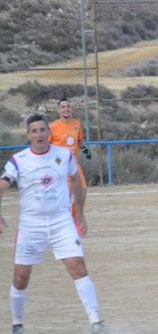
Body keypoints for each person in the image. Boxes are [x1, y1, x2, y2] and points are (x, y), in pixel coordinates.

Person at [0, 114, 106, 334]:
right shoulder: (19, 160)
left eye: (42, 130)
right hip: (31, 226)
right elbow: (3, 184)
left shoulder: (64, 155)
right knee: (21, 276)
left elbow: (76, 180)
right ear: (28, 135)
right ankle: (17, 324)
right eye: (34, 131)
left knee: (78, 266)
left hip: (61, 222)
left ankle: (96, 321)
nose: (39, 134)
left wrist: (80, 213)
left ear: (49, 132)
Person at [49, 97, 91, 235]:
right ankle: (61, 223)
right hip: (59, 165)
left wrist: (86, 151)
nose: (66, 109)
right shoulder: (52, 127)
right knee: (64, 195)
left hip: (74, 164)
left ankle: (75, 216)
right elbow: (47, 147)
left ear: (71, 109)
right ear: (58, 110)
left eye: (68, 106)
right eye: (63, 107)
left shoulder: (77, 124)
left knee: (82, 190)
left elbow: (80, 142)